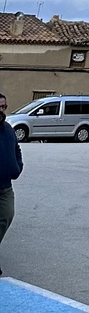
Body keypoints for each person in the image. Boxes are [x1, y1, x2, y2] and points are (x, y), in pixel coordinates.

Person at [0, 93, 22, 274]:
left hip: (5, 187)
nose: (1, 111)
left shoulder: (8, 129)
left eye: (3, 107)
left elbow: (17, 149)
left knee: (6, 216)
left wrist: (17, 167)